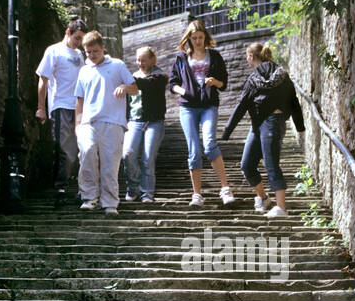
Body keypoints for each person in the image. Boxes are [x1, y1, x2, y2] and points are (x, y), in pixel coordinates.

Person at [222, 42, 304, 217]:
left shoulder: (255, 78)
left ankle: (281, 208)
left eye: (247, 57)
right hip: (259, 125)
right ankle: (264, 198)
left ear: (251, 57)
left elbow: (241, 105)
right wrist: (300, 126)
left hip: (272, 121)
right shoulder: (282, 75)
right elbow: (294, 101)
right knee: (247, 165)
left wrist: (226, 131)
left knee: (271, 163)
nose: (247, 60)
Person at [169, 18, 235, 206]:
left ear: (205, 37)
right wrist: (183, 91)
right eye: (194, 38)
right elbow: (172, 83)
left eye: (200, 37)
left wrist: (214, 82)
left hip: (208, 105)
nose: (197, 41)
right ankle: (197, 194)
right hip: (187, 107)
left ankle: (225, 189)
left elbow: (223, 83)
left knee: (210, 144)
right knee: (193, 150)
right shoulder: (182, 58)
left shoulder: (214, 56)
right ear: (188, 39)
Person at [74, 30, 136, 215]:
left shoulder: (117, 65)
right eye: (88, 52)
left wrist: (124, 87)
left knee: (110, 163)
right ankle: (89, 198)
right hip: (88, 123)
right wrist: (78, 124)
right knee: (87, 155)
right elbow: (79, 100)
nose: (92, 55)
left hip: (113, 122)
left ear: (103, 47)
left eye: (95, 51)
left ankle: (109, 203)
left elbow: (135, 89)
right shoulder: (84, 71)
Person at [35, 19, 86, 207]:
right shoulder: (53, 50)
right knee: (64, 148)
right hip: (60, 106)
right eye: (77, 37)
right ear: (68, 32)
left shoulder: (80, 55)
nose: (78, 42)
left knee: (82, 147)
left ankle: (82, 189)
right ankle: (61, 189)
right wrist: (41, 107)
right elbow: (43, 79)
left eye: (81, 39)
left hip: (79, 107)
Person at [122, 45, 167, 203]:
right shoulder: (133, 75)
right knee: (127, 153)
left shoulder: (160, 76)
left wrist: (123, 80)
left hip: (154, 121)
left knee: (148, 158)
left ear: (152, 60)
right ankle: (132, 187)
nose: (140, 63)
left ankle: (147, 192)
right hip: (134, 120)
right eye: (138, 60)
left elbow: (146, 83)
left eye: (144, 60)